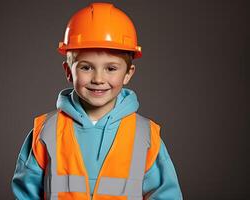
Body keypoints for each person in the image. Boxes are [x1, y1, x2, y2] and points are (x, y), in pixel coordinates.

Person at [11, 2, 183, 200]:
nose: (98, 79)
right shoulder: (46, 130)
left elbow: (166, 195)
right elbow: (25, 194)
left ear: (128, 73)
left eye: (111, 68)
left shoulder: (145, 135)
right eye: (86, 67)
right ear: (68, 71)